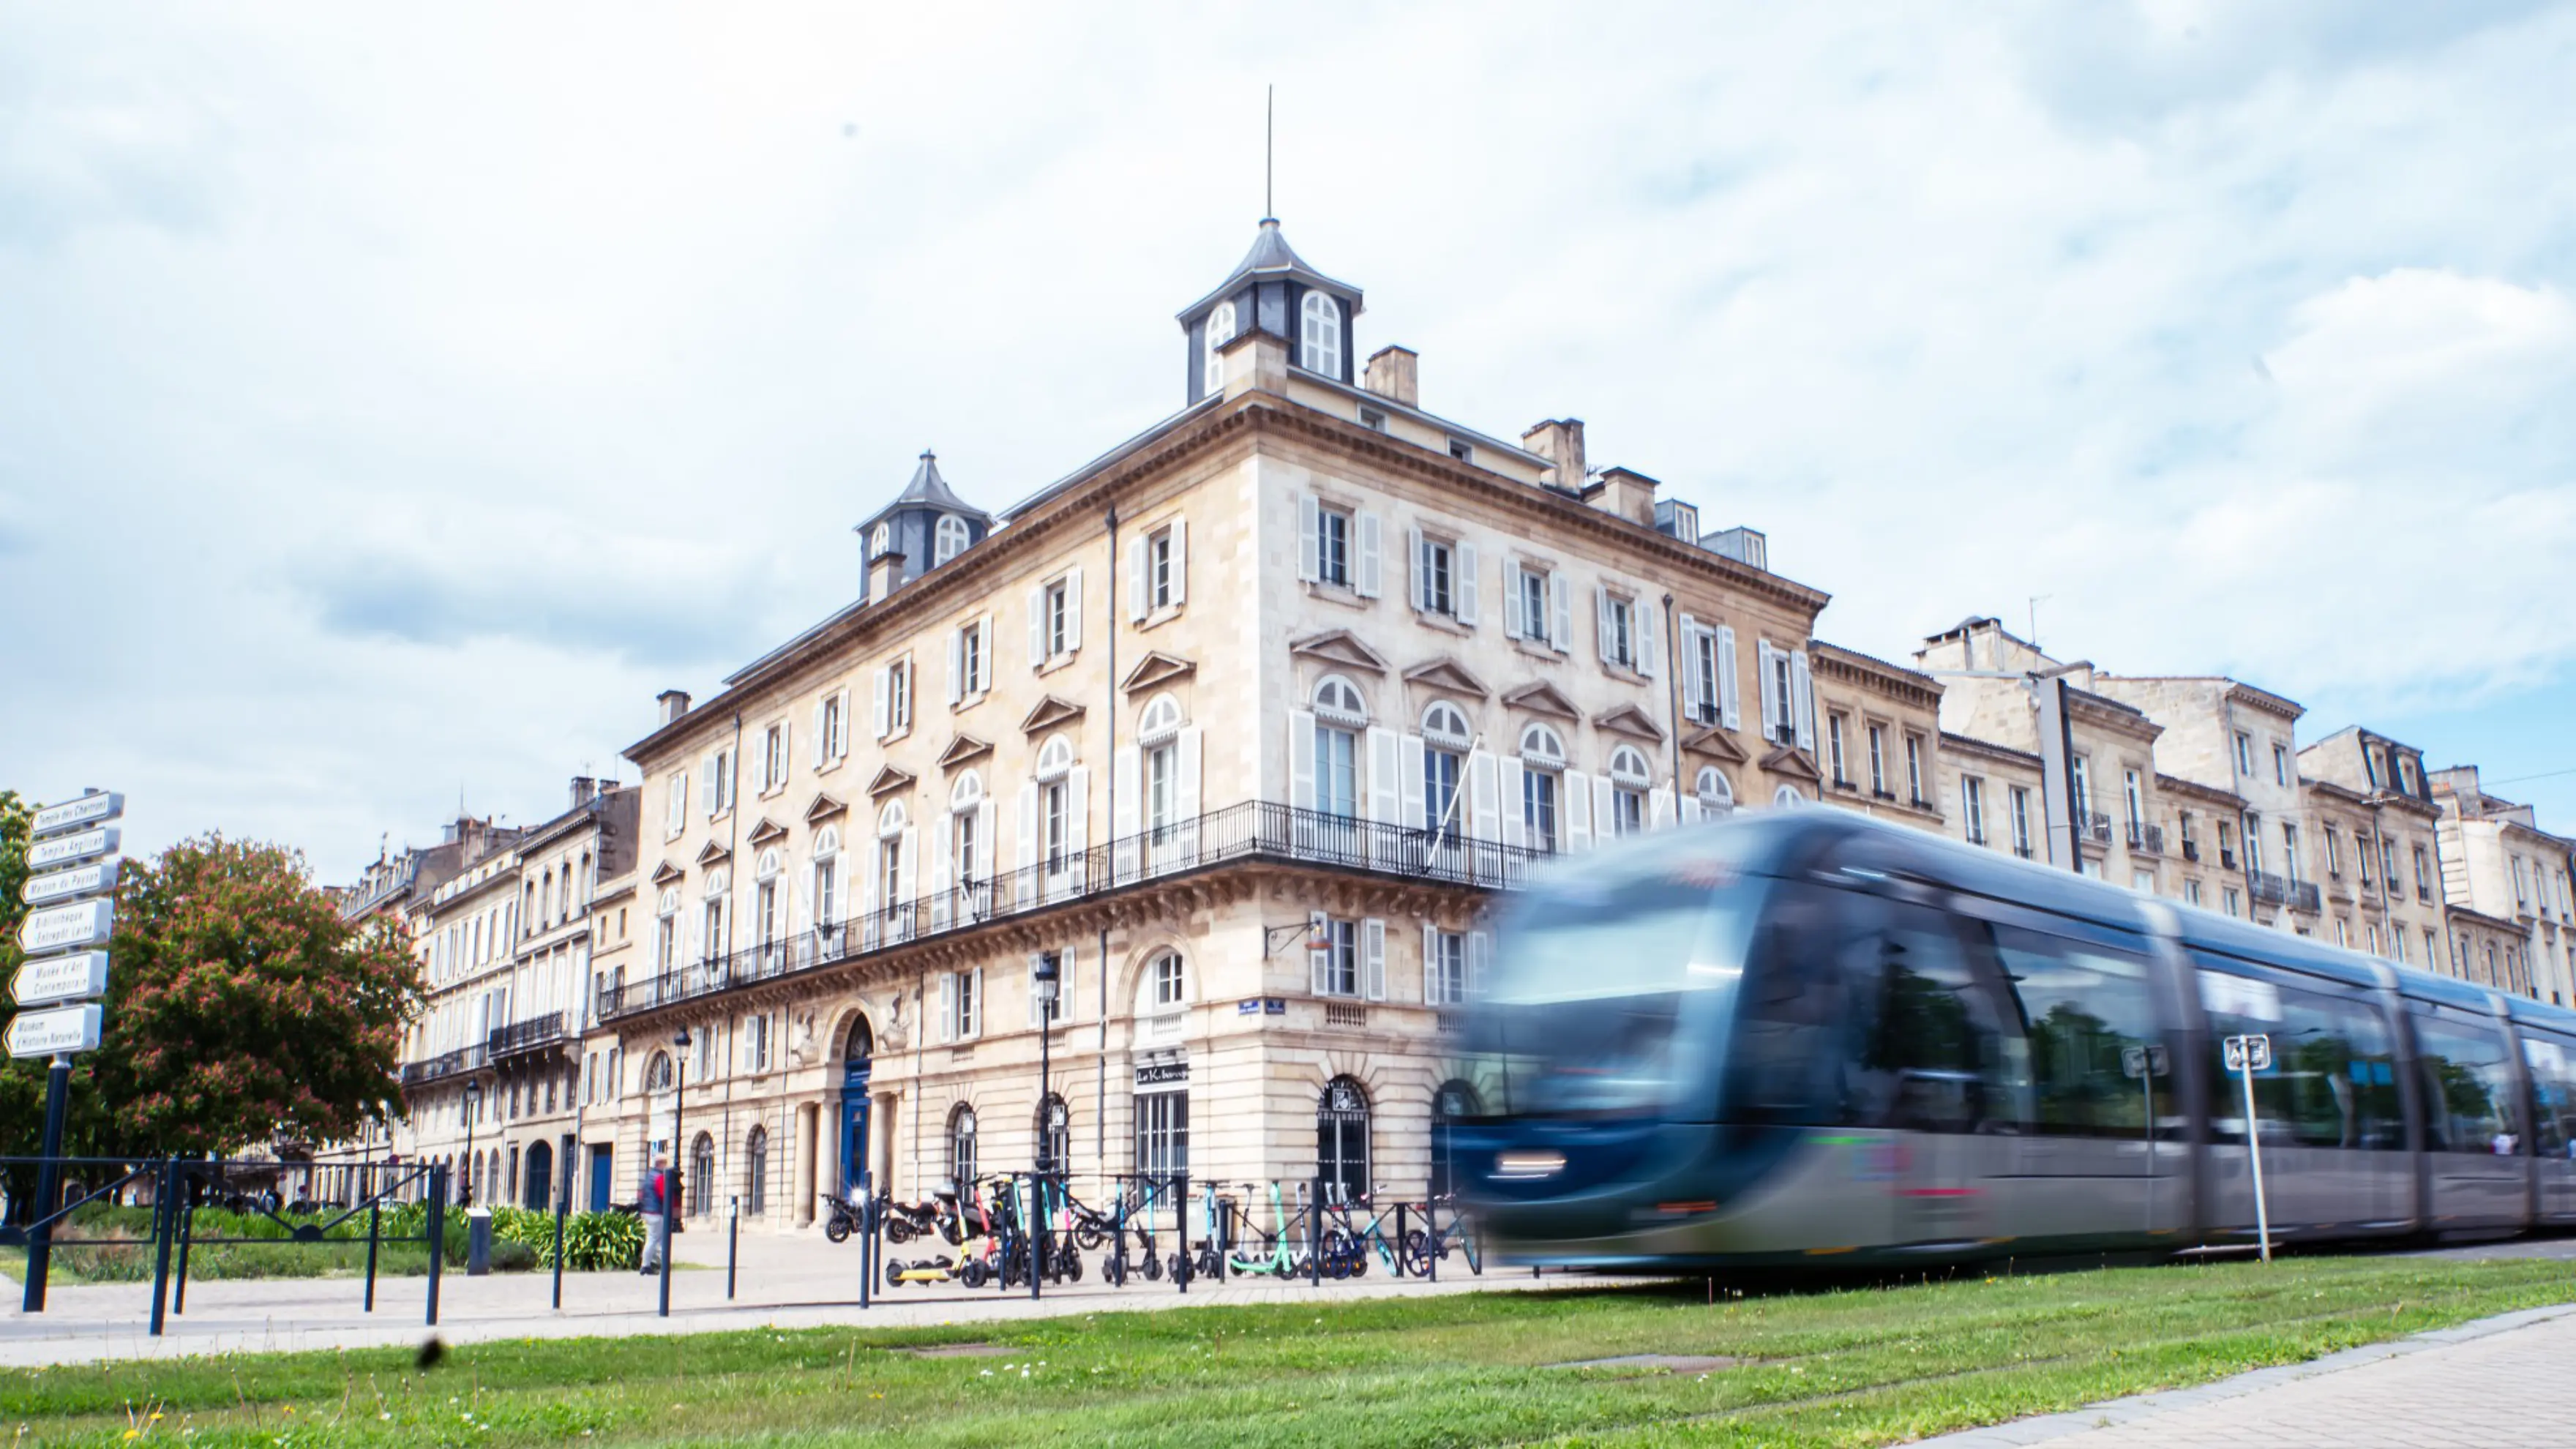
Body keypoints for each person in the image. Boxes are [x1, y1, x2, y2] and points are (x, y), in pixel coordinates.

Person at [640, 1155, 671, 1274]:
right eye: (665, 1163)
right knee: (655, 1239)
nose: (666, 1165)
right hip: (656, 1212)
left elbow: (642, 1194)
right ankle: (647, 1265)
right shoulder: (659, 1177)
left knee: (655, 1239)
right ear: (660, 1163)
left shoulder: (648, 1177)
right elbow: (664, 1194)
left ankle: (653, 1264)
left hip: (647, 1211)